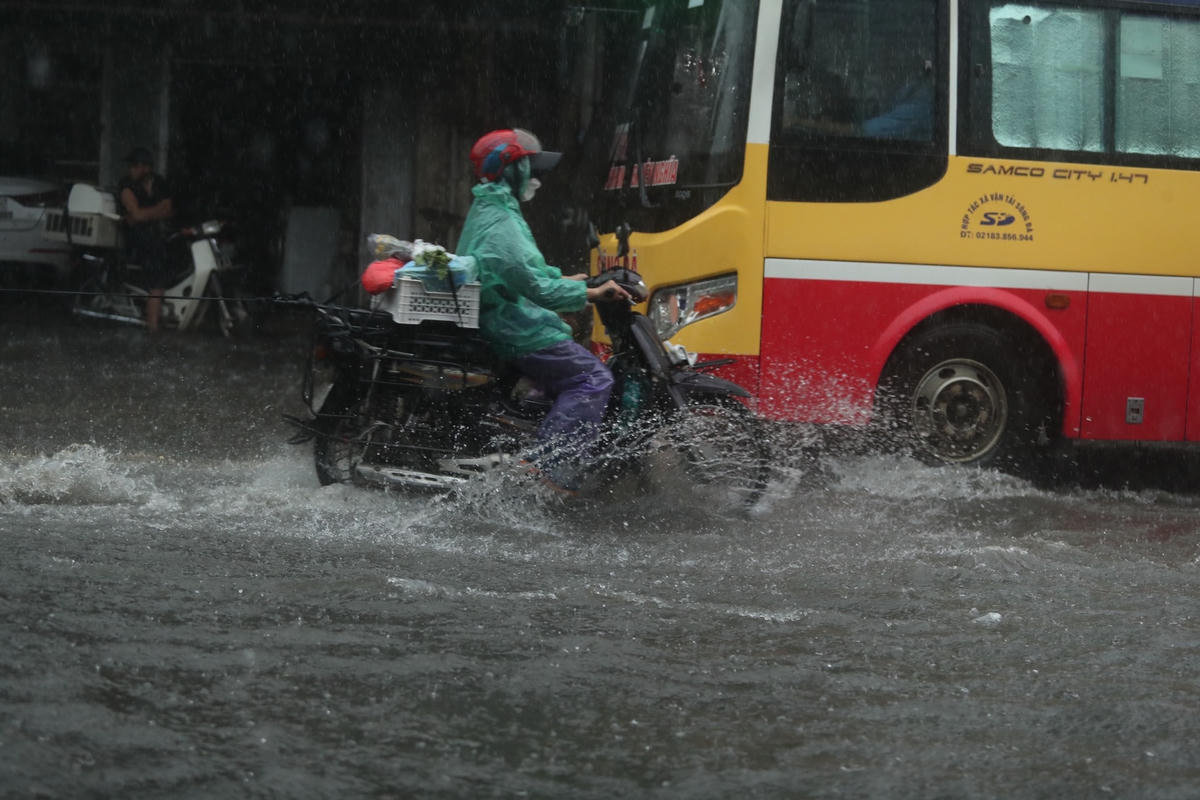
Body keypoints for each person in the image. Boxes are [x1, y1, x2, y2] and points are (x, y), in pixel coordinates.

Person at [456, 128, 631, 495]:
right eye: (529, 167)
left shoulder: (496, 207)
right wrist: (592, 291)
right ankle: (548, 466)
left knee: (568, 369)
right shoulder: (500, 221)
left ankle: (538, 433)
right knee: (593, 379)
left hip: (511, 314)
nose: (536, 177)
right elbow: (534, 286)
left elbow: (525, 270)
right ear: (511, 169)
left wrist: (569, 281)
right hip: (513, 325)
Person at [117, 147, 174, 332]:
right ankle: (153, 326)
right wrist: (155, 212)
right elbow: (136, 214)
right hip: (136, 238)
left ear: (145, 168)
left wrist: (145, 214)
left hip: (158, 234)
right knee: (156, 276)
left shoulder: (160, 183)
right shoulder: (126, 185)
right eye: (131, 166)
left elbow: (168, 209)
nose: (131, 170)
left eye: (135, 166)